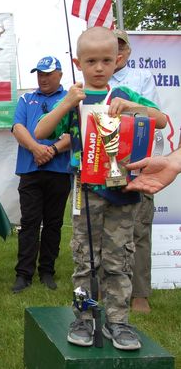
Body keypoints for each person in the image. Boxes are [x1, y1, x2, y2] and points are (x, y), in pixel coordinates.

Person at [35, 27, 167, 351]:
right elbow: (41, 130)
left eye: (106, 60)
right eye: (91, 61)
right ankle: (84, 317)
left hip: (123, 191)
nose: (98, 67)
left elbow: (162, 119)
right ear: (78, 62)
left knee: (119, 259)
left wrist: (133, 108)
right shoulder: (75, 98)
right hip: (85, 191)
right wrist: (66, 102)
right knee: (85, 259)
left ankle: (118, 322)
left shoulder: (125, 97)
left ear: (117, 60)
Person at [109, 29, 160, 314]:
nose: (114, 54)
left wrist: (128, 105)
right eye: (109, 47)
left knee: (139, 230)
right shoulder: (93, 80)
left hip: (136, 163)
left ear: (128, 52)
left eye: (120, 48)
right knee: (105, 231)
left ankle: (139, 293)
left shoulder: (141, 79)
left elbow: (157, 119)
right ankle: (105, 287)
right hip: (101, 166)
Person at [11, 56, 71, 293]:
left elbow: (72, 133)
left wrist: (53, 149)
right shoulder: (26, 98)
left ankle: (47, 271)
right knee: (29, 223)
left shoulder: (69, 99)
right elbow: (18, 128)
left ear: (60, 75)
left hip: (58, 170)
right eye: (40, 74)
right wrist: (36, 149)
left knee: (53, 223)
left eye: (48, 74)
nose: (43, 78)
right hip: (30, 169)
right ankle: (23, 274)